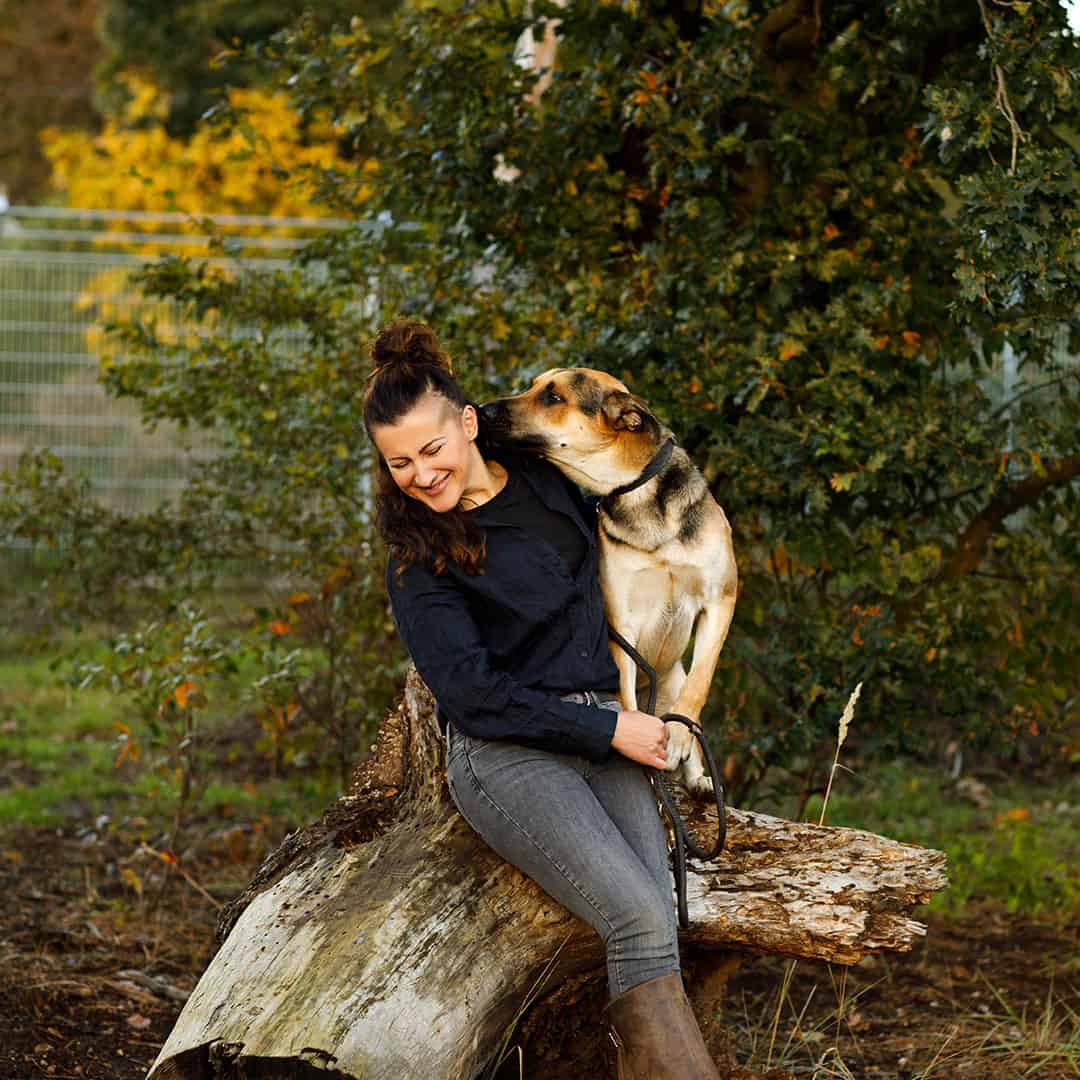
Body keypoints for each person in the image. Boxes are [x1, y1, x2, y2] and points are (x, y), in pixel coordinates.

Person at [363, 318, 721, 1079]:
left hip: (606, 722)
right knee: (634, 916)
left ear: (468, 425)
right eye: (400, 464)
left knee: (659, 922)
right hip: (510, 756)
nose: (422, 475)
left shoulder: (545, 478)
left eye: (433, 450)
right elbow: (473, 699)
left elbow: (639, 489)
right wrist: (610, 732)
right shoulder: (417, 561)